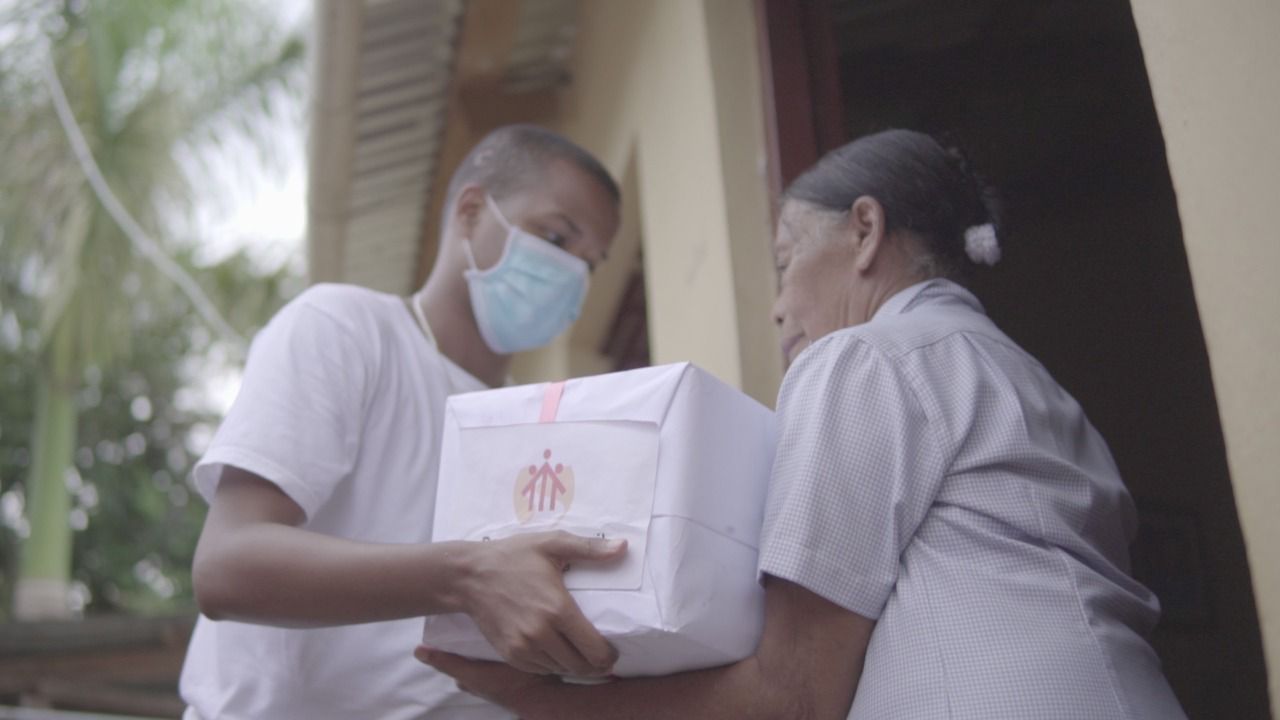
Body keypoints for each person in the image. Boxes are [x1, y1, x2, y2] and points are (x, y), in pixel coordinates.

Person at [417, 129, 1188, 719]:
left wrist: (542, 699)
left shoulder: (863, 357)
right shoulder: (1030, 382)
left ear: (864, 231)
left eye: (787, 260)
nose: (780, 305)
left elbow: (792, 694)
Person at [180, 125, 626, 720]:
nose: (572, 276)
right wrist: (467, 575)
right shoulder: (346, 330)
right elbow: (226, 568)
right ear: (471, 211)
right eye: (554, 238)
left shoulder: (540, 427)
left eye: (590, 265)